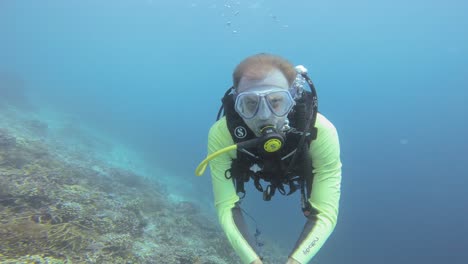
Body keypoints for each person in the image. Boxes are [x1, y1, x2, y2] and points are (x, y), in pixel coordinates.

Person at [195, 53, 342, 264]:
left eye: (276, 101)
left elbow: (325, 212)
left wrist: (295, 261)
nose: (264, 115)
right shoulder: (223, 134)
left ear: (294, 98)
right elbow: (226, 204)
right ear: (237, 102)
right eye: (250, 103)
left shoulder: (320, 132)